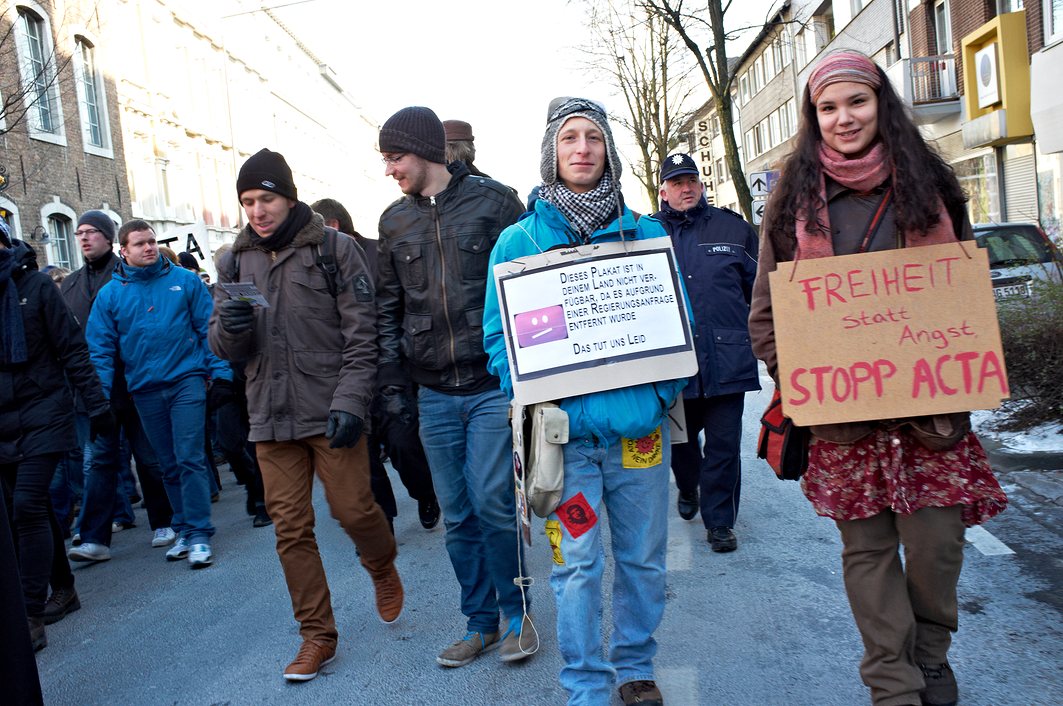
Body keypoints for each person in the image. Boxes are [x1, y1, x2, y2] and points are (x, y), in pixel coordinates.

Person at [749, 50, 1008, 706]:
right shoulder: (788, 209)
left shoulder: (933, 186)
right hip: (844, 423)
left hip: (932, 419)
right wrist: (806, 373)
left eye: (855, 102)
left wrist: (956, 362)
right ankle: (891, 681)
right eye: (827, 108)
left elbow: (962, 298)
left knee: (936, 548)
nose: (843, 118)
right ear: (813, 118)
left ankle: (930, 653)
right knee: (865, 556)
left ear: (879, 104)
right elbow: (766, 316)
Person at [483, 97, 689, 706]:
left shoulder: (646, 234)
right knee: (575, 569)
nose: (581, 148)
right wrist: (525, 383)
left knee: (643, 561)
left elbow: (680, 323)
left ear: (609, 151)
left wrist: (657, 392)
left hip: (639, 437)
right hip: (564, 445)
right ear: (552, 151)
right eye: (569, 137)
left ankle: (634, 668)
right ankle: (585, 685)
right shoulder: (517, 243)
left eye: (593, 137)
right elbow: (498, 337)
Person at [210, 149, 403, 682]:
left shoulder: (334, 250)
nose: (257, 210)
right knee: (290, 529)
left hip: (329, 410)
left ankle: (380, 563)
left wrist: (350, 402)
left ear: (288, 197)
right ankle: (317, 636)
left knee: (354, 512)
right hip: (269, 417)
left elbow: (362, 336)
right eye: (248, 201)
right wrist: (229, 324)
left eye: (265, 198)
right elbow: (227, 347)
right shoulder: (232, 261)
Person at [376, 106, 531, 667]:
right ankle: (479, 622)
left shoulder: (496, 203)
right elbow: (388, 311)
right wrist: (393, 391)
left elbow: (530, 283)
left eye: (394, 157)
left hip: (491, 383)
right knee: (457, 513)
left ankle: (517, 616)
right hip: (433, 391)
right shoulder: (393, 223)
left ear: (423, 151)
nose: (390, 169)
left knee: (493, 503)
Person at [86, 220, 228, 569]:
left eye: (151, 242)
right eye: (140, 244)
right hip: (145, 388)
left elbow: (207, 328)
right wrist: (100, 397)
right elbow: (100, 350)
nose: (148, 247)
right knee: (166, 463)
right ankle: (182, 526)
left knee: (189, 456)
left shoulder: (186, 280)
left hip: (187, 380)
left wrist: (222, 374)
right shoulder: (110, 295)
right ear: (124, 251)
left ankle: (198, 534)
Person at [0, 220, 113, 650]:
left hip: (44, 412)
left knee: (27, 505)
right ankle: (64, 589)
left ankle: (30, 613)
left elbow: (72, 349)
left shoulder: (37, 287)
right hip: (3, 421)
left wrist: (97, 405)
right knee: (32, 508)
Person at [310, 197, 440, 533]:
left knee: (403, 445)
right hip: (345, 376)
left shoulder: (377, 253)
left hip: (389, 367)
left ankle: (426, 495)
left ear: (332, 227)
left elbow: (402, 303)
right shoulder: (310, 262)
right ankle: (385, 518)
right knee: (363, 456)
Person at [652, 153, 760, 552]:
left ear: (701, 184)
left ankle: (719, 523)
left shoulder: (734, 229)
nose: (686, 188)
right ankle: (687, 486)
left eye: (691, 180)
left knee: (724, 447)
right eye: (677, 182)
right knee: (682, 445)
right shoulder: (648, 234)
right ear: (663, 190)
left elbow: (759, 292)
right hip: (674, 367)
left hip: (728, 359)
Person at [63, 211, 174, 569]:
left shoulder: (128, 276)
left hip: (137, 382)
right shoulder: (69, 285)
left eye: (91, 232)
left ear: (110, 239)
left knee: (149, 457)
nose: (82, 238)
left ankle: (164, 522)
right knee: (98, 462)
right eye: (78, 233)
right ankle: (94, 537)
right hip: (94, 391)